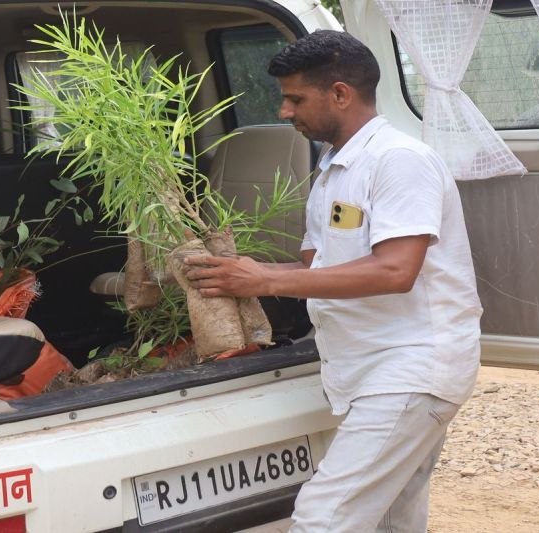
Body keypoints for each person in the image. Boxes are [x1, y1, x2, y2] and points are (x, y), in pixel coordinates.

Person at [185, 30, 482, 532]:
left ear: (340, 93)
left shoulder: (398, 161)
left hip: (410, 367)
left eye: (295, 98)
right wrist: (246, 277)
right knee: (391, 519)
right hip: (370, 368)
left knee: (323, 518)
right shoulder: (333, 168)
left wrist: (268, 281)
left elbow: (395, 271)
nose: (283, 111)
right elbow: (318, 268)